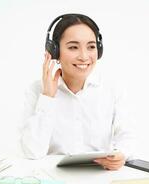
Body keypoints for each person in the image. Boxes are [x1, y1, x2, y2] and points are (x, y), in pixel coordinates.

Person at [20, 13, 136, 170]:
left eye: (91, 47)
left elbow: (126, 137)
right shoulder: (37, 90)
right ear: (55, 51)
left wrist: (121, 153)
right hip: (53, 177)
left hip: (99, 175)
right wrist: (48, 97)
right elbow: (32, 152)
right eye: (73, 47)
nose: (84, 56)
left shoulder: (112, 89)